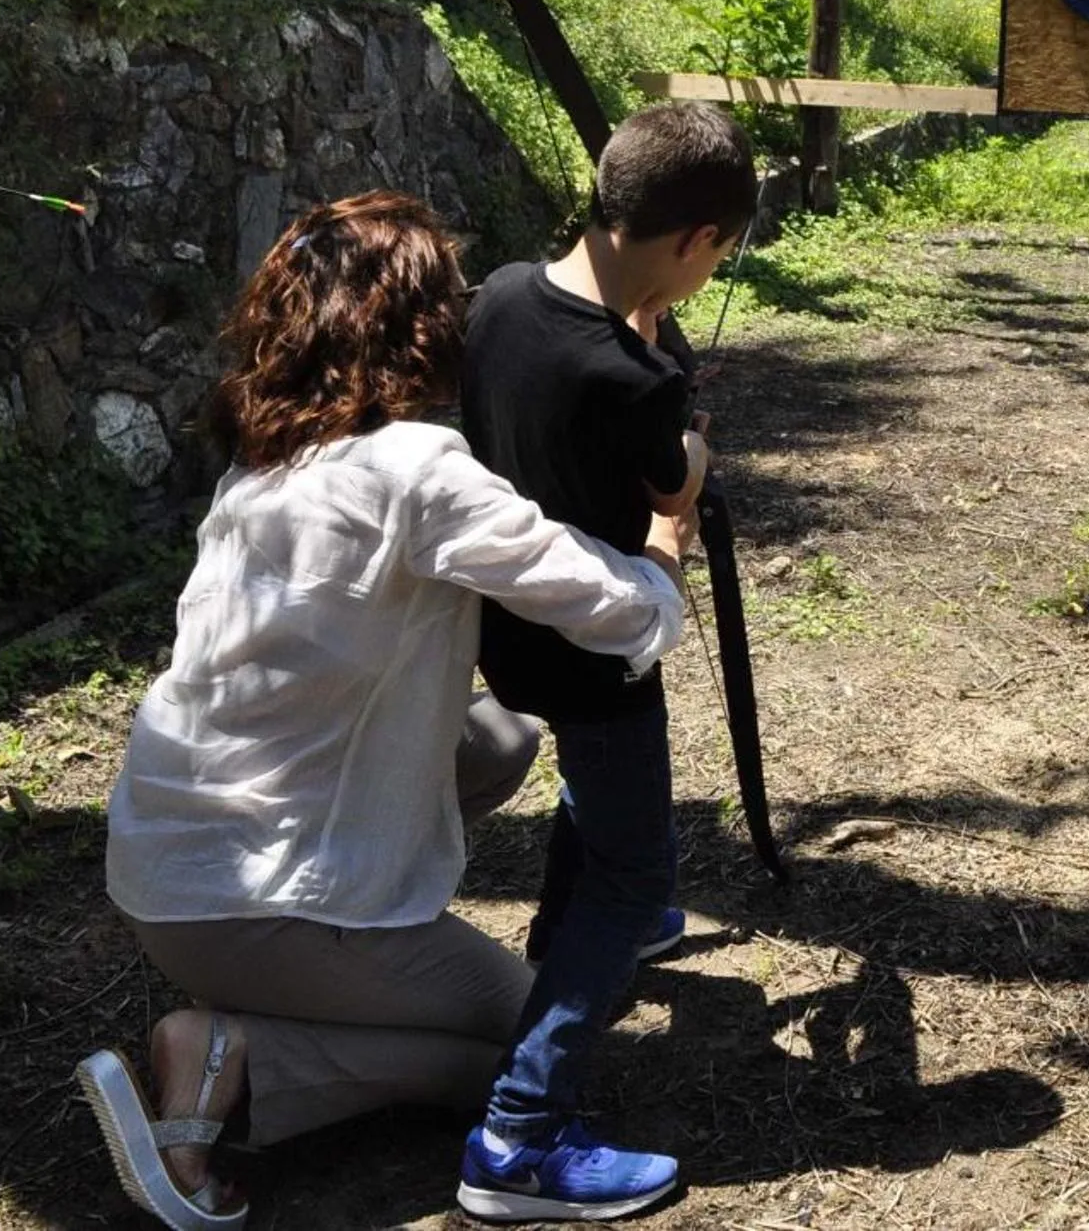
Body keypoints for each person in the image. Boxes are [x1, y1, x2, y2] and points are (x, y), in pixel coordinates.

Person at [77, 192, 694, 1231]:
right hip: (265, 901)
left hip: (163, 870)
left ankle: (263, 1022)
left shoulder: (263, 463)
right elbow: (619, 611)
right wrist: (666, 539)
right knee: (530, 1038)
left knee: (505, 737)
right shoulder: (415, 468)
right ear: (416, 322)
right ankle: (238, 1053)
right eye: (452, 298)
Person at [456, 101, 755, 1219]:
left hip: (510, 634)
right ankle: (518, 1136)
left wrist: (645, 327)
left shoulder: (497, 297)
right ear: (696, 240)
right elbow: (672, 489)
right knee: (636, 879)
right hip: (600, 651)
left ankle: (557, 946)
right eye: (717, 253)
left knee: (599, 807)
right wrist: (687, 459)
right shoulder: (635, 379)